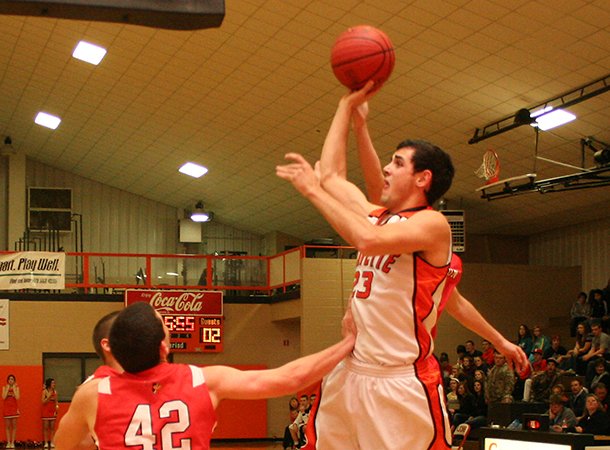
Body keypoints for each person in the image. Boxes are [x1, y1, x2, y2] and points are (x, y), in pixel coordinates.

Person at [276, 79, 527, 450]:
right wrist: (347, 110)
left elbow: (366, 240)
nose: (386, 170)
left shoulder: (432, 226)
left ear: (423, 178)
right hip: (351, 371)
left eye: (397, 163)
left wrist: (311, 190)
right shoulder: (377, 217)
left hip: (399, 381)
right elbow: (331, 176)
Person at [54, 302, 357, 449]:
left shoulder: (92, 394)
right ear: (164, 346)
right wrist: (346, 345)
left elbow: (64, 446)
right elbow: (288, 379)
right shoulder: (203, 380)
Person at [2, 374, 20, 449]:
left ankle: (12, 442)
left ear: (14, 381)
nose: (11, 380)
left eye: (12, 379)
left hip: (14, 408)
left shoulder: (17, 388)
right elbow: (3, 397)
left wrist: (14, 388)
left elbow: (17, 397)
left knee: (14, 426)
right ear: (7, 380)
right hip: (7, 408)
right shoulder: (4, 387)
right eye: (9, 379)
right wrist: (7, 388)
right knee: (7, 426)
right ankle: (8, 442)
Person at [41, 377, 58, 448]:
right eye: (52, 383)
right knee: (46, 427)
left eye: (54, 383)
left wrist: (57, 409)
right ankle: (45, 442)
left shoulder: (55, 392)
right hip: (45, 411)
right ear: (49, 384)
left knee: (52, 427)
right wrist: (49, 396)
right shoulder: (44, 391)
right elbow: (43, 402)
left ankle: (52, 442)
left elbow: (56, 402)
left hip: (52, 411)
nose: (54, 384)